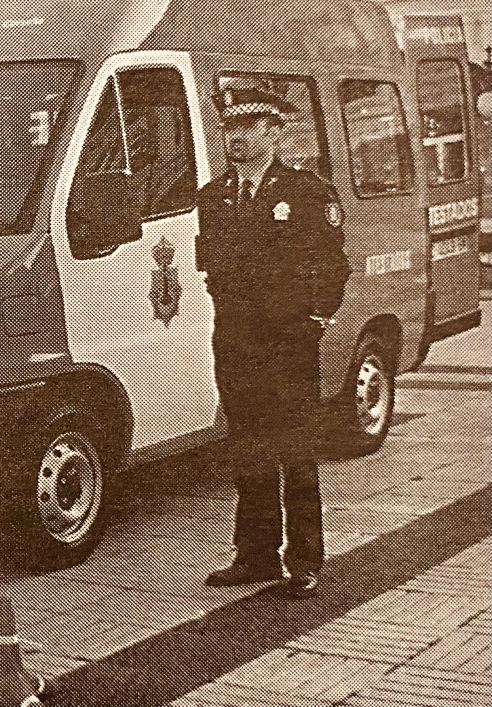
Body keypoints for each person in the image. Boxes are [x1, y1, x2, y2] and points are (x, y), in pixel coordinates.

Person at [196, 88, 351, 599]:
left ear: (276, 132)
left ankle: (304, 559)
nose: (236, 138)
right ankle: (256, 554)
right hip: (236, 342)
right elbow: (213, 267)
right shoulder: (214, 196)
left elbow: (332, 266)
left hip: (288, 343)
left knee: (296, 451)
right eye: (231, 128)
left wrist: (313, 319)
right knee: (248, 450)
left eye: (250, 128)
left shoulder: (306, 192)